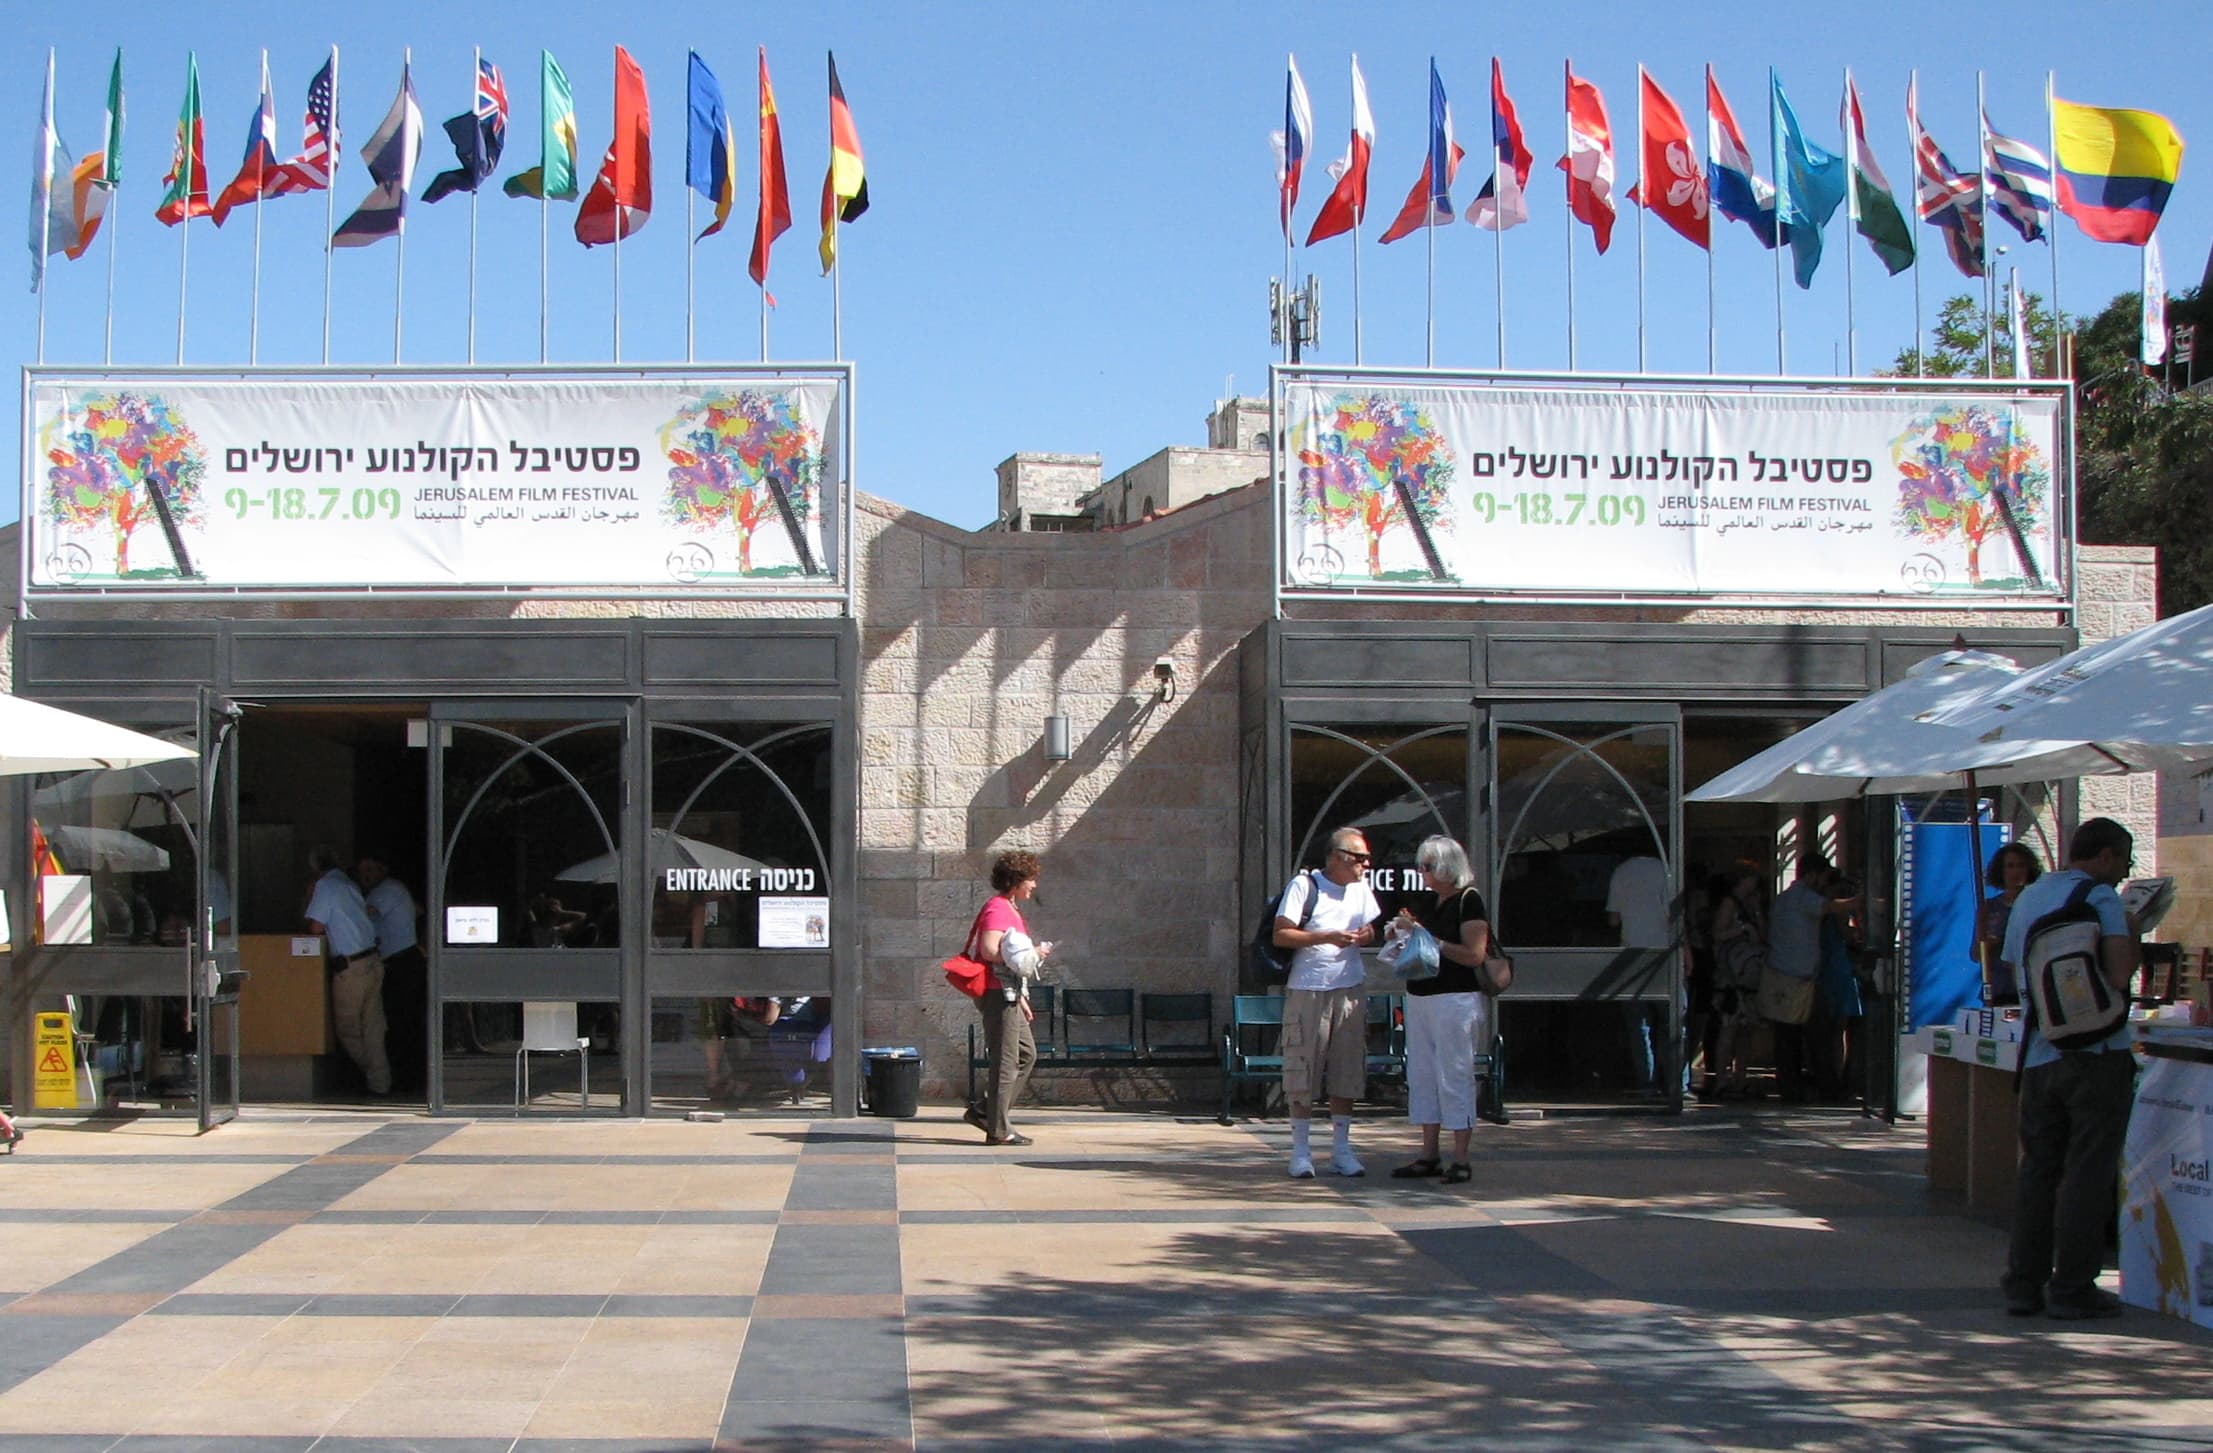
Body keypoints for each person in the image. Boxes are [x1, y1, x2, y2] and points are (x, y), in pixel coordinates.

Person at [2001, 816, 2141, 1321]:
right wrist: (2133, 927)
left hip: (2039, 1055)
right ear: (2104, 856)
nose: (2124, 871)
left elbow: (2017, 970)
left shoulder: (2030, 897)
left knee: (2038, 1170)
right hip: (2097, 1055)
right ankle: (2073, 1287)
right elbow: (2120, 972)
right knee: (2088, 1171)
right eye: (2123, 860)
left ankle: (2022, 1284)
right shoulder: (2100, 897)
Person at [1274, 827, 1382, 1178]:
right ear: (1337, 857)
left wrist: (1365, 935)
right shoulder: (1305, 886)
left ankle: (1341, 1148)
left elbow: (1371, 929)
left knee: (1346, 1070)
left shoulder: (1361, 889)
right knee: (1302, 1067)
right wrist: (1326, 937)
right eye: (1358, 858)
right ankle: (1301, 1151)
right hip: (1309, 987)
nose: (1365, 864)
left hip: (1349, 987)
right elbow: (1282, 933)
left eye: (1367, 858)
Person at [1389, 835, 1493, 1185]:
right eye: (1420, 865)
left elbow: (1474, 954)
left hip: (1455, 997)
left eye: (1428, 866)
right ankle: (1428, 1153)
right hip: (1421, 996)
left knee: (1454, 1073)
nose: (1421, 872)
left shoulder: (1468, 900)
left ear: (1448, 867)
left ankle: (1460, 1157)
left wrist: (1428, 939)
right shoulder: (1431, 901)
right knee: (1423, 1075)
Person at [962, 850, 1053, 1147]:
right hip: (997, 993)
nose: (1034, 885)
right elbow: (989, 951)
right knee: (1006, 1062)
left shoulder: (1008, 908)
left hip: (1009, 993)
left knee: (1027, 1055)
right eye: (1030, 879)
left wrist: (1021, 995)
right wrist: (1032, 956)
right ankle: (998, 1129)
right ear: (1015, 881)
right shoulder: (998, 908)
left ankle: (984, 1111)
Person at [1765, 856, 1857, 1104]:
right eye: (1825, 876)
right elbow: (1830, 907)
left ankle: (1790, 1089)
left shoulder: (1783, 900)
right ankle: (1828, 1089)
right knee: (1819, 1038)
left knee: (1786, 1040)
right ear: (1812, 875)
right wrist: (1860, 900)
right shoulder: (1803, 898)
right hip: (1801, 979)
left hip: (1780, 974)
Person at [305, 845, 390, 1096]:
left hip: (351, 967)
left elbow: (315, 928)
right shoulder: (350, 885)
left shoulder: (327, 887)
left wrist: (308, 897)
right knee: (373, 1026)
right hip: (372, 960)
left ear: (316, 869)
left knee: (347, 1029)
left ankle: (373, 1074)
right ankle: (381, 1081)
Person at [1605, 854, 1673, 1096]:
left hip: (1630, 956)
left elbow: (1613, 919)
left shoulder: (1621, 870)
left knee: (1639, 1025)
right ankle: (1676, 1083)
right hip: (1665, 955)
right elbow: (1673, 917)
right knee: (1673, 1022)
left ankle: (1647, 1084)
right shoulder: (1666, 870)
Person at [357, 854, 425, 1096]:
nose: (365, 876)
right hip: (401, 960)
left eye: (371, 870)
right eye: (362, 870)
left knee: (399, 1023)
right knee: (400, 1023)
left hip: (400, 962)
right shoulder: (394, 890)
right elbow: (417, 910)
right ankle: (407, 1078)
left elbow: (363, 913)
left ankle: (405, 1080)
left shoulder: (387, 890)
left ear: (382, 870)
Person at [1705, 864, 1765, 1100]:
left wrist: (1757, 913)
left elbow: (1762, 936)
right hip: (1730, 974)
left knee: (1745, 1029)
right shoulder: (1730, 904)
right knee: (1729, 1027)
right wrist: (1741, 930)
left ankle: (1741, 1077)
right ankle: (1722, 1078)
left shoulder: (1749, 905)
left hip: (1748, 973)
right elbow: (1717, 933)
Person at [1976, 841, 2044, 1006]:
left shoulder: (2037, 904)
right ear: (2002, 870)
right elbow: (1976, 954)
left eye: (2021, 866)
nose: (2016, 872)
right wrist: (1993, 942)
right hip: (1999, 988)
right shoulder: (1989, 908)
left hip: (2030, 986)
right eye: (2010, 866)